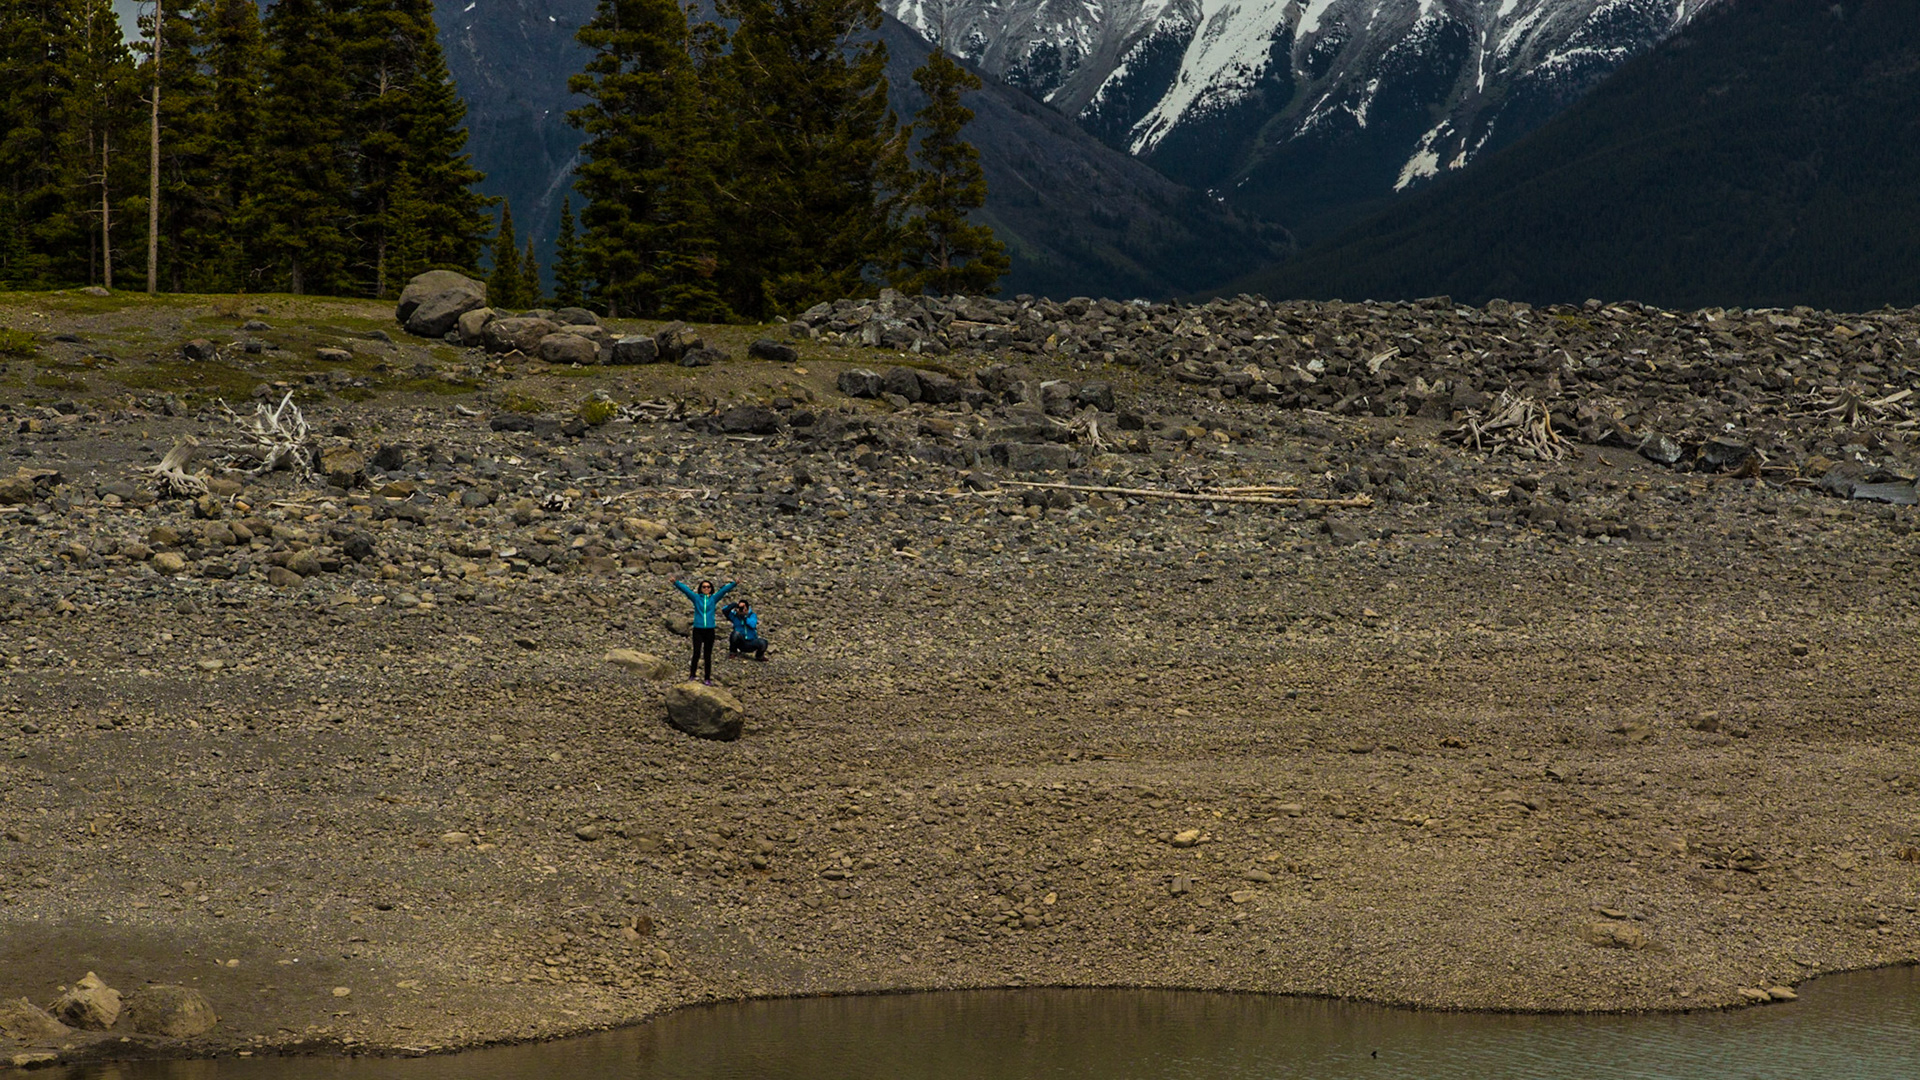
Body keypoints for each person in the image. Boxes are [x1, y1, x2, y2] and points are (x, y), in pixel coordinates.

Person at [673, 579, 734, 684]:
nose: (706, 588)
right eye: (704, 587)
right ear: (700, 589)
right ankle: (692, 674)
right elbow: (686, 590)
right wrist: (675, 582)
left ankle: (707, 678)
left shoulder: (714, 599)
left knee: (707, 655)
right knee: (696, 653)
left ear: (711, 589)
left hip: (710, 630)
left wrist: (734, 583)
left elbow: (723, 590)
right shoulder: (696, 598)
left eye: (708, 587)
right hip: (698, 629)